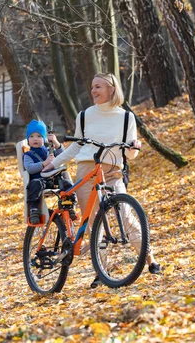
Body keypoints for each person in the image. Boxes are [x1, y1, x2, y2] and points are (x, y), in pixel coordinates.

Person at [43, 73, 161, 286]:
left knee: (125, 215)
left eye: (98, 87)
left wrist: (135, 149)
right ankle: (101, 271)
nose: (93, 91)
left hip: (113, 171)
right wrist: (54, 163)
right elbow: (77, 145)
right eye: (92, 87)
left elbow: (130, 154)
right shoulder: (85, 115)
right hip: (87, 170)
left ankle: (150, 260)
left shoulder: (126, 117)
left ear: (112, 89)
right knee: (92, 223)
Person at [24, 119, 76, 224]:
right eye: (32, 136)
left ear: (44, 139)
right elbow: (29, 168)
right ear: (28, 139)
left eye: (39, 136)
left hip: (52, 180)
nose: (35, 139)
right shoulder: (28, 155)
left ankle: (69, 206)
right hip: (39, 180)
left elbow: (63, 155)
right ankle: (34, 210)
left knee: (68, 184)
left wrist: (56, 143)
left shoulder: (49, 151)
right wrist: (44, 163)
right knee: (35, 185)